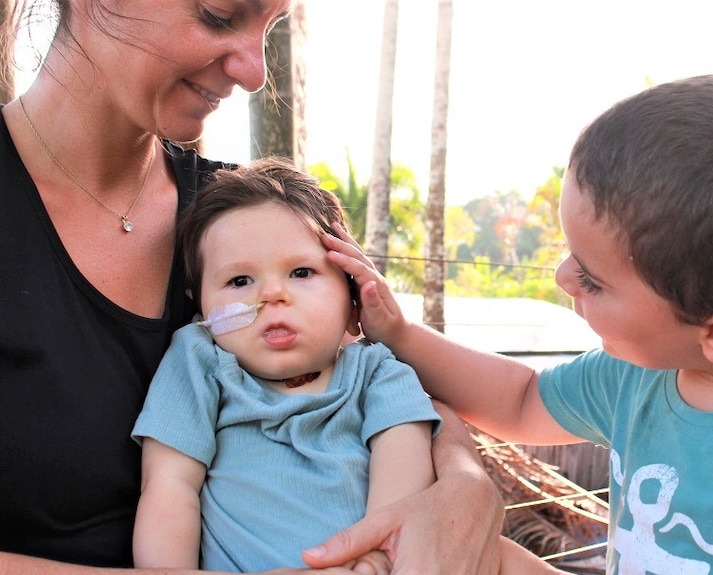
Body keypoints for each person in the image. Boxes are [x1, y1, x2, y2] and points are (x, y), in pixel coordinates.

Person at [0, 1, 504, 573]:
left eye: (270, 30)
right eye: (219, 14)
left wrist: (465, 479)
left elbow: (377, 375)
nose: (254, 72)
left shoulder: (243, 217)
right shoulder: (210, 318)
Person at [324, 73, 713, 574]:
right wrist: (397, 333)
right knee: (489, 559)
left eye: (593, 279)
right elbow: (521, 400)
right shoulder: (640, 373)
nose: (561, 276)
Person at [131, 158, 441, 573]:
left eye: (301, 271)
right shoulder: (201, 362)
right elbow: (169, 485)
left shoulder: (377, 375)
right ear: (202, 306)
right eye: (240, 281)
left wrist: (373, 559)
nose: (273, 294)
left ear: (353, 302)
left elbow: (404, 475)